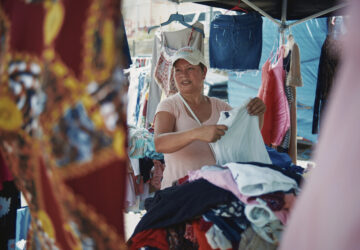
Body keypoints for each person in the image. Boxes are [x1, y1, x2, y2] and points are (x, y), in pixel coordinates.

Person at [154, 46, 266, 189]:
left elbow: (246, 136)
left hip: (214, 192)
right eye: (178, 70)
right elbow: (159, 143)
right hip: (179, 194)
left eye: (190, 68)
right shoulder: (169, 106)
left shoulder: (221, 107)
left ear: (203, 72)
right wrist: (196, 133)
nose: (183, 75)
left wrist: (257, 113)